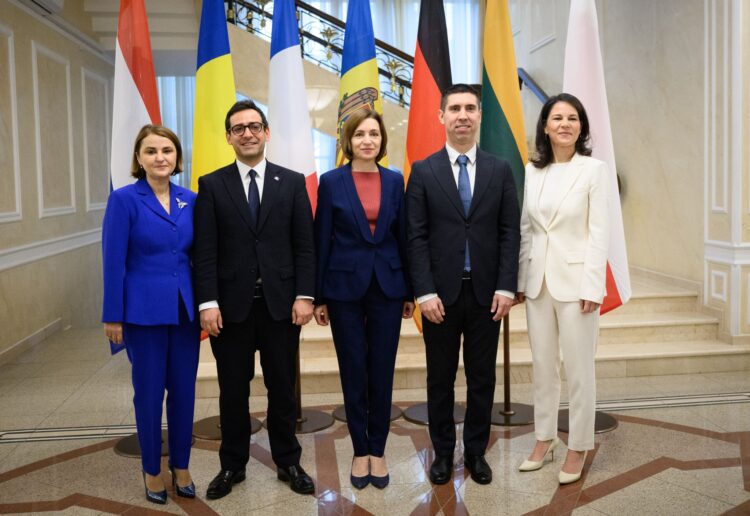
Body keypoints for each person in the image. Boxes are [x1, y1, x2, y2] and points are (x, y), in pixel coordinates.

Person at [193, 99, 316, 499]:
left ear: (266, 132)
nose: (247, 133)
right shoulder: (212, 185)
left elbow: (305, 245)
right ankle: (232, 465)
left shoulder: (292, 181)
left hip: (282, 306)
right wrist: (207, 303)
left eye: (254, 126)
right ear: (228, 137)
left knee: (282, 388)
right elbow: (206, 250)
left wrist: (305, 296)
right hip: (231, 310)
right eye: (238, 128)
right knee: (233, 390)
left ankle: (288, 460)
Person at [406, 84, 520, 485]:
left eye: (470, 108)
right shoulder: (423, 171)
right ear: (441, 116)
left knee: (482, 378)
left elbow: (510, 232)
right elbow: (415, 236)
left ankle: (475, 452)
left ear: (479, 116)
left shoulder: (500, 169)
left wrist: (507, 287)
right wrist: (424, 293)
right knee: (439, 379)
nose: (463, 115)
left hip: (488, 295)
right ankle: (442, 454)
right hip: (440, 297)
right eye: (454, 108)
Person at [313, 109, 414, 490]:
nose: (367, 140)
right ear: (348, 141)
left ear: (382, 140)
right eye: (360, 135)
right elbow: (322, 238)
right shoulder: (332, 181)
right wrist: (319, 295)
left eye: (373, 134)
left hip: (388, 287)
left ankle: (379, 449)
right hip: (343, 290)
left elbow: (402, 236)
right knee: (353, 368)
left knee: (382, 369)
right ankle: (359, 450)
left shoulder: (394, 181)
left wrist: (407, 291)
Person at [102, 125, 200, 505]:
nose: (160, 157)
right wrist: (113, 316)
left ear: (177, 157)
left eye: (167, 150)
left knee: (184, 392)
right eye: (151, 151)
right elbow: (113, 261)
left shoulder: (190, 199)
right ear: (139, 159)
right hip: (142, 315)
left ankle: (181, 465)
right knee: (148, 395)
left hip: (184, 312)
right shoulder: (124, 200)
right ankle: (151, 470)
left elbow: (197, 255)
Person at [516, 93, 609, 484]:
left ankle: (579, 445)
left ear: (581, 128)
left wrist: (594, 285)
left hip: (576, 286)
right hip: (538, 283)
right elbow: (526, 230)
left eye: (573, 118)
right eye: (557, 118)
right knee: (543, 366)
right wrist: (521, 280)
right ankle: (544, 438)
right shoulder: (532, 171)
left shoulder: (595, 170)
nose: (565, 124)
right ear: (545, 126)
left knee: (579, 368)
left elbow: (600, 233)